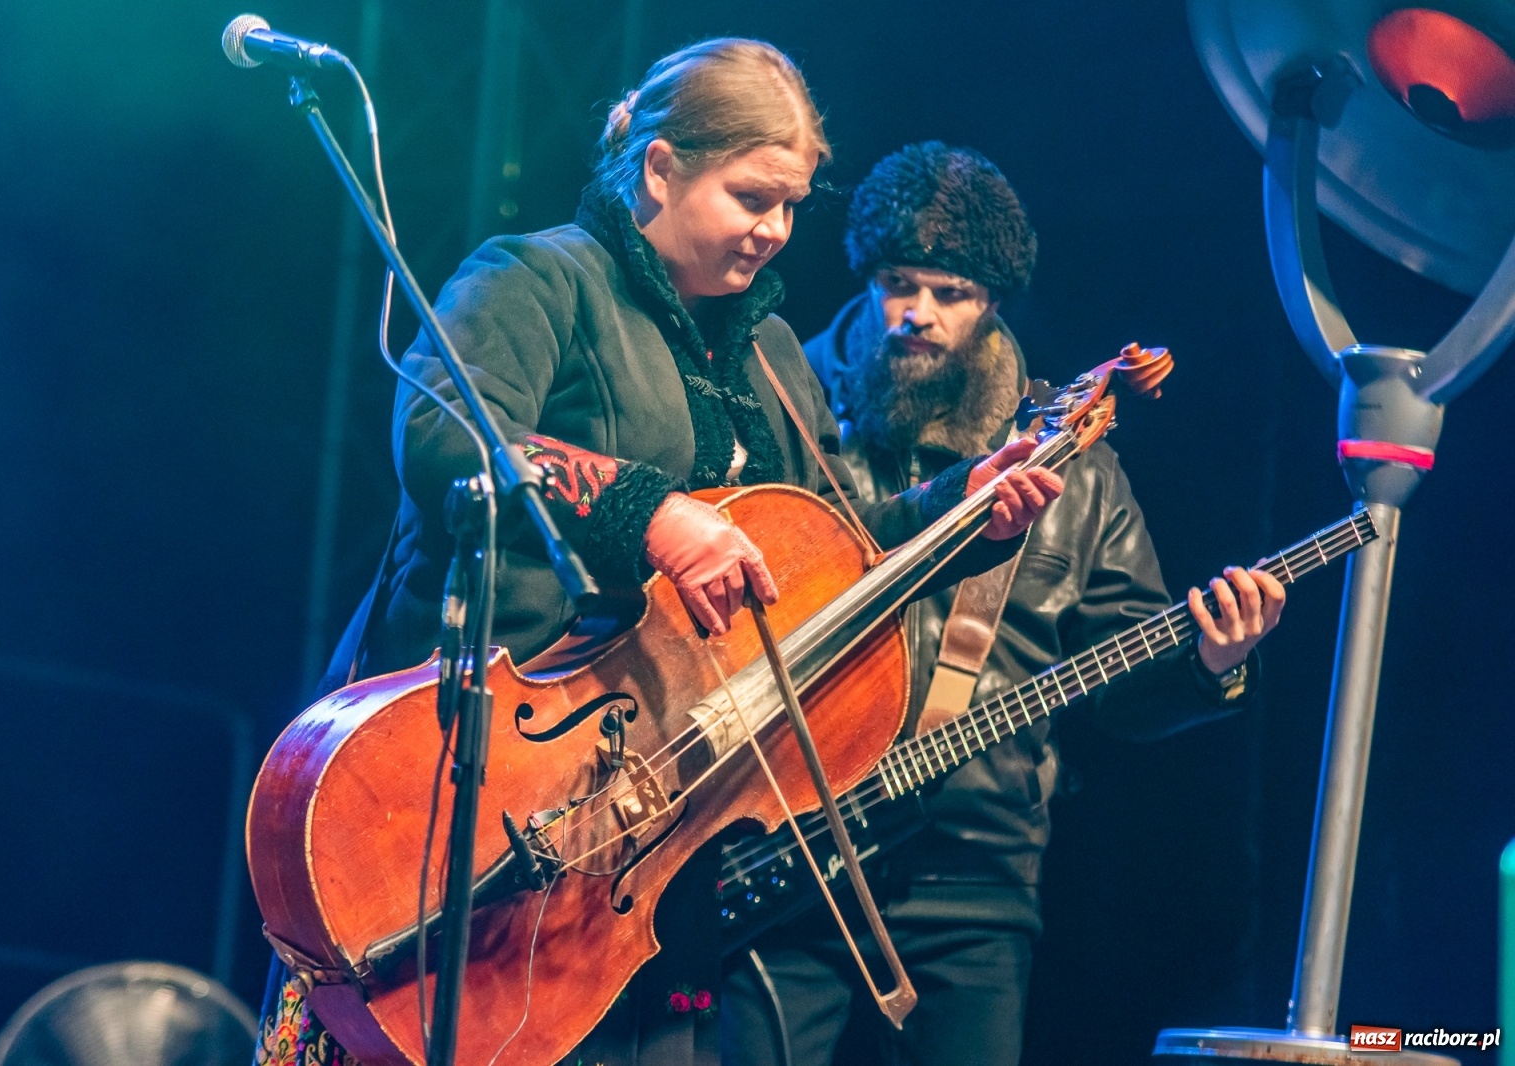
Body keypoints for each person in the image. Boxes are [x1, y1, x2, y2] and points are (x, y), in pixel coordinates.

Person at [254, 53, 1063, 1066]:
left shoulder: (767, 355)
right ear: (661, 169)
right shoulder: (536, 278)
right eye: (751, 196)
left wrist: (964, 513)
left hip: (648, 849)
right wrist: (652, 514)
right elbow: (446, 435)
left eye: (791, 206)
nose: (773, 229)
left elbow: (825, 565)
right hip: (479, 800)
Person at [720, 142, 1286, 1066]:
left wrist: (1208, 665)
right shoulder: (779, 408)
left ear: (991, 307)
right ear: (866, 278)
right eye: (899, 283)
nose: (918, 314)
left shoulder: (1077, 463)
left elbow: (1122, 682)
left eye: (953, 294)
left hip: (970, 882)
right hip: (775, 850)